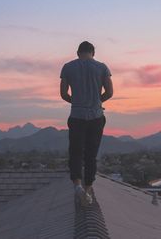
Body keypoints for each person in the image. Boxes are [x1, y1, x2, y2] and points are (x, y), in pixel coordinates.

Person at [59, 41, 113, 205]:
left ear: (77, 52)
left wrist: (75, 101)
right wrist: (96, 101)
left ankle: (77, 186)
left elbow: (63, 93)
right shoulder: (102, 67)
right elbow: (109, 92)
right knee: (91, 154)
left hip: (77, 116)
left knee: (75, 152)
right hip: (96, 116)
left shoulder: (68, 67)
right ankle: (88, 189)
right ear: (93, 53)